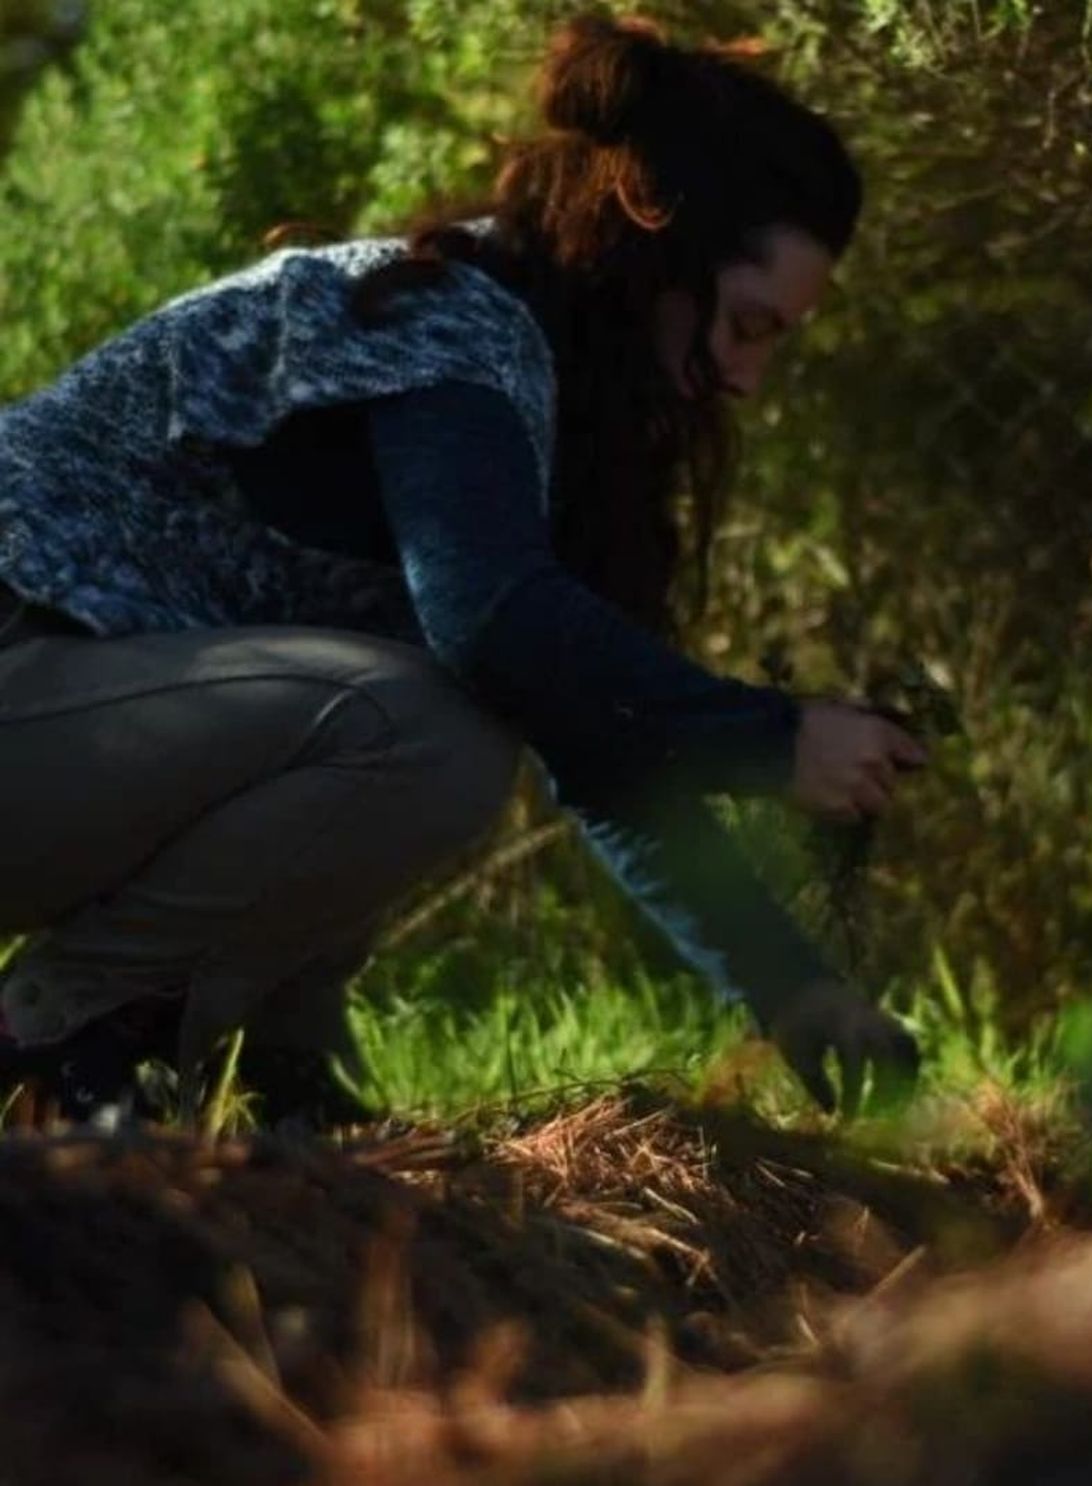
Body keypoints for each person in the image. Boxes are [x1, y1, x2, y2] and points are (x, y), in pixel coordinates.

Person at [0, 11, 927, 1128]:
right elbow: (492, 625)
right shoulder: (447, 324)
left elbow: (599, 737)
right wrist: (775, 740)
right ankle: (49, 1032)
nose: (747, 379)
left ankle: (264, 1069)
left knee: (400, 700)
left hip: (66, 734)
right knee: (428, 727)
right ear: (657, 250)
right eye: (745, 325)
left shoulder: (525, 380)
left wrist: (794, 989)